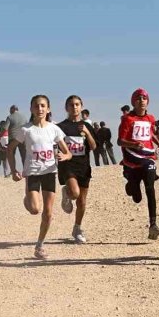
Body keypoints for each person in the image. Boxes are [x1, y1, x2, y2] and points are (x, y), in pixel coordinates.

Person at [7, 95, 73, 259]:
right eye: (36, 106)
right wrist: (14, 169)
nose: (40, 109)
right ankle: (27, 200)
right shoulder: (26, 129)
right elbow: (10, 149)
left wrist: (65, 157)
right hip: (33, 173)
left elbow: (68, 152)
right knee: (35, 209)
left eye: (43, 106)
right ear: (31, 109)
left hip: (50, 172)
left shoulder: (54, 129)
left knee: (48, 213)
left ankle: (40, 245)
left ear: (48, 109)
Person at [118, 88, 159, 240]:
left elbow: (151, 133)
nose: (141, 101)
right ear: (133, 102)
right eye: (138, 98)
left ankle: (153, 224)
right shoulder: (127, 119)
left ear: (148, 101)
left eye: (144, 98)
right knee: (137, 197)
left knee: (150, 187)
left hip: (148, 157)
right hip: (132, 160)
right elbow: (120, 141)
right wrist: (133, 145)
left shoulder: (150, 119)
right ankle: (131, 185)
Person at [56, 95, 97, 244]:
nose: (74, 107)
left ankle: (77, 228)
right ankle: (68, 191)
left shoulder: (87, 126)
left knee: (82, 201)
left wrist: (86, 132)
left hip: (84, 166)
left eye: (77, 104)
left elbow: (93, 146)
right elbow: (54, 145)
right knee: (75, 192)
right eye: (71, 105)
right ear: (66, 108)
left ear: (81, 106)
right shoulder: (60, 127)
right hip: (68, 165)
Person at [5, 105, 26, 173]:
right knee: (24, 155)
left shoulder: (10, 117)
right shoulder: (24, 117)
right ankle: (25, 170)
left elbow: (5, 128)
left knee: (11, 154)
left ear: (12, 109)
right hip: (23, 138)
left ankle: (13, 170)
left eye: (10, 110)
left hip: (13, 138)